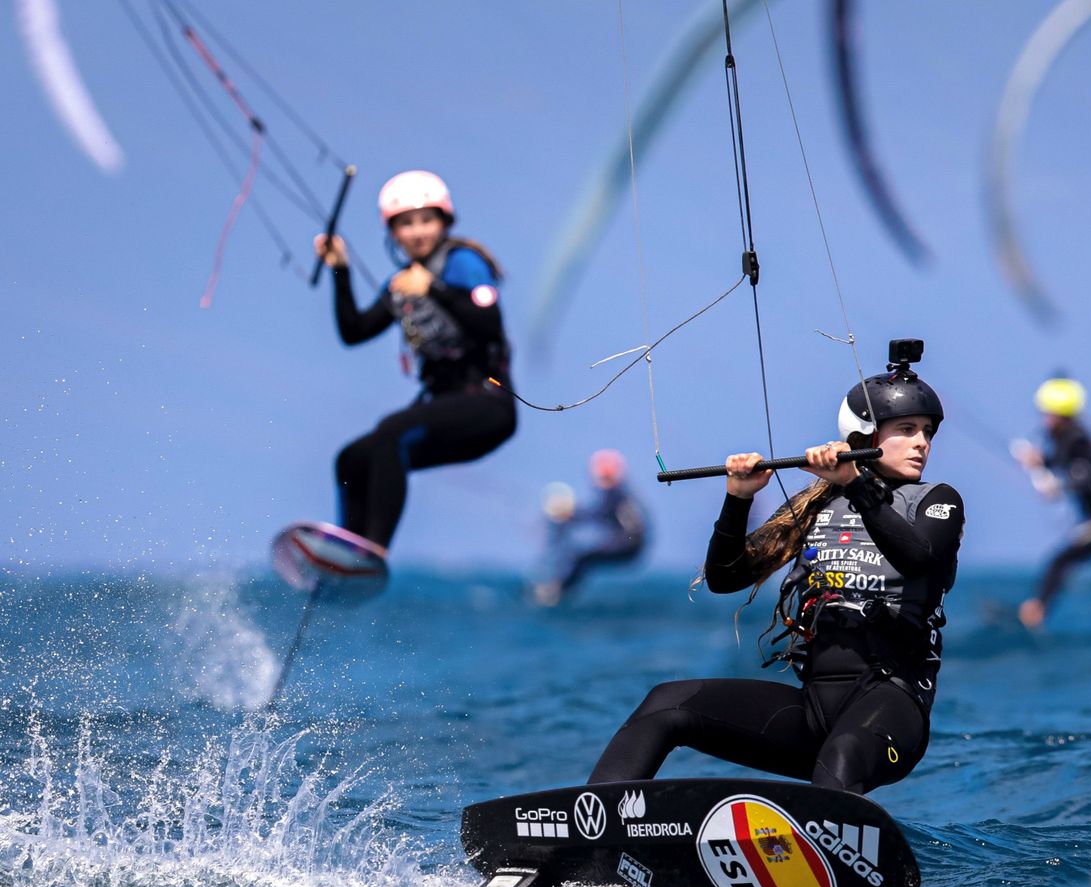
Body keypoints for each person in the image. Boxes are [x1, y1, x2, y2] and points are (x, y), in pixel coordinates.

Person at [588, 343, 962, 795]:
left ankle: (825, 857)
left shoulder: (938, 502)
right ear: (865, 437)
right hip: (814, 709)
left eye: (927, 432)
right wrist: (738, 497)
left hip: (892, 706)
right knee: (666, 703)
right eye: (906, 429)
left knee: (841, 756)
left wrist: (857, 485)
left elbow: (918, 557)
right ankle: (592, 827)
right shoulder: (815, 507)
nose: (922, 442)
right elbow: (726, 578)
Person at [312, 170, 516, 552]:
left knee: (390, 431)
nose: (418, 231)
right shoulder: (403, 282)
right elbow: (354, 332)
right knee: (353, 458)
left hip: (488, 406)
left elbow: (490, 324)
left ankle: (374, 551)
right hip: (442, 408)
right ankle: (347, 560)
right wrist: (340, 270)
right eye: (406, 224)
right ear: (393, 233)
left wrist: (434, 289)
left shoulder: (462, 263)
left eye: (427, 220)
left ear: (444, 223)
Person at [1013, 376, 1091, 629]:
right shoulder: (1068, 437)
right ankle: (1038, 608)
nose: (1044, 419)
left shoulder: (1077, 439)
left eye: (1049, 414)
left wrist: (1057, 486)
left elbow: (1084, 475)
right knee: (1063, 562)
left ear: (1061, 415)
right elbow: (1064, 463)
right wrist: (1041, 462)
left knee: (1060, 561)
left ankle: (1036, 612)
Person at [532, 449, 649, 605]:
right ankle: (558, 589)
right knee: (583, 557)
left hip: (626, 545)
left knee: (582, 557)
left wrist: (570, 514)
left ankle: (556, 592)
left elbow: (598, 514)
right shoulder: (623, 493)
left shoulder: (613, 493)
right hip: (635, 546)